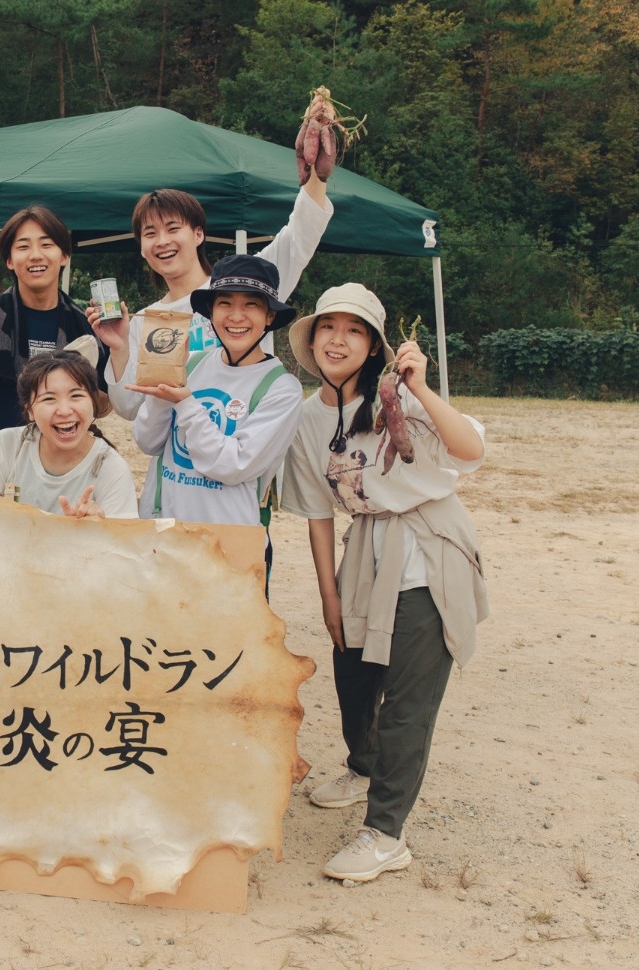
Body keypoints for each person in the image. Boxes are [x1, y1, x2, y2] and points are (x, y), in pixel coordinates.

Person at [280, 283, 489, 883]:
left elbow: (470, 450)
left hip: (427, 545)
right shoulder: (308, 417)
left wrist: (421, 387)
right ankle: (363, 766)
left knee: (407, 699)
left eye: (355, 330)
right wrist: (329, 595)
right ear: (312, 340)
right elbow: (317, 511)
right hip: (366, 547)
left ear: (373, 346)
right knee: (352, 672)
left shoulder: (399, 396)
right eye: (328, 327)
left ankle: (386, 832)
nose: (337, 340)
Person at [91, 159, 332, 425]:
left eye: (173, 228)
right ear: (141, 248)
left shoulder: (245, 285)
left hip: (245, 440)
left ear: (198, 234)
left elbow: (300, 236)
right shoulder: (144, 320)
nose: (162, 241)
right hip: (177, 448)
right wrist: (119, 347)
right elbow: (129, 408)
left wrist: (316, 175)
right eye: (150, 233)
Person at [125, 255, 304, 530]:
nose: (236, 316)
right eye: (225, 303)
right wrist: (163, 396)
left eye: (251, 304)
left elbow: (232, 466)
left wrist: (185, 403)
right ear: (210, 311)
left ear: (269, 316)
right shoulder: (191, 364)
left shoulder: (281, 389)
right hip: (163, 529)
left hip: (227, 540)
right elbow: (148, 442)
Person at [0, 205, 104, 461]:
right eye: (23, 247)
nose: (35, 255)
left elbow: (104, 401)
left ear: (64, 255)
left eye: (46, 244)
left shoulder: (85, 325)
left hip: (66, 467)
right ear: (9, 259)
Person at [0, 339, 138, 518]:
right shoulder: (6, 446)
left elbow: (121, 534)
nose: (64, 411)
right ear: (30, 410)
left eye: (76, 396)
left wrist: (96, 529)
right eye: (49, 399)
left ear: (93, 403)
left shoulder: (110, 467)